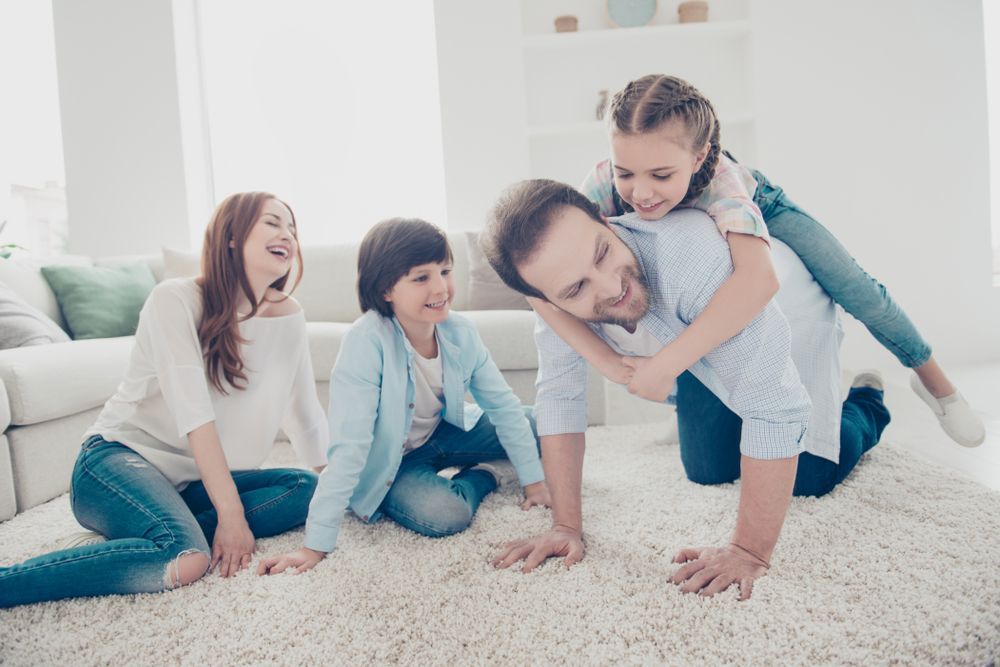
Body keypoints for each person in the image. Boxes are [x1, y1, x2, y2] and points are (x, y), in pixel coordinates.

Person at [480, 179, 891, 599]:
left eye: (603, 253)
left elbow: (777, 407)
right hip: (703, 350)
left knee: (810, 476)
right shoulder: (554, 307)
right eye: (575, 289)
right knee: (708, 471)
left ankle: (866, 400)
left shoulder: (692, 259)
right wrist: (565, 526)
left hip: (790, 319)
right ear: (547, 301)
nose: (608, 286)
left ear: (606, 220)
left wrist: (748, 551)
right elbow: (559, 399)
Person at [532, 74, 983, 448]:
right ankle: (686, 402)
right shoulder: (602, 185)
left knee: (856, 288)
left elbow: (758, 280)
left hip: (763, 204)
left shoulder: (724, 185)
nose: (641, 192)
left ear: (699, 156)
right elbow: (537, 288)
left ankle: (937, 385)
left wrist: (667, 364)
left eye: (662, 175)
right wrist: (608, 362)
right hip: (679, 254)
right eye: (625, 172)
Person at [0, 192, 328, 608]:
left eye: (293, 228)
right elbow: (195, 414)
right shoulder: (175, 298)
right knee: (184, 558)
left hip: (194, 481)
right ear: (231, 236)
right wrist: (230, 515)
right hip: (117, 462)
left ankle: (164, 525)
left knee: (306, 487)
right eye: (273, 223)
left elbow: (303, 413)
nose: (288, 235)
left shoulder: (288, 315)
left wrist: (343, 489)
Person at [257, 218, 549, 576]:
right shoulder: (366, 342)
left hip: (445, 432)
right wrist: (315, 544)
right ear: (385, 289)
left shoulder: (460, 331)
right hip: (393, 463)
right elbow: (349, 448)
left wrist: (534, 484)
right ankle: (485, 474)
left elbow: (502, 406)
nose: (440, 287)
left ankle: (490, 461)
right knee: (445, 513)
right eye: (421, 278)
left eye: (445, 271)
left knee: (543, 424)